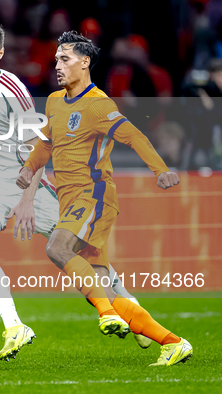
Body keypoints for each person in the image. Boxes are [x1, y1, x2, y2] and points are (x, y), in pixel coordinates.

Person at [0, 20, 150, 362]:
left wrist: (26, 202)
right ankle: (14, 327)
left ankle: (133, 313)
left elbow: (39, 147)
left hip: (27, 182)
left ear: (1, 54)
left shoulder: (14, 92)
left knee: (82, 254)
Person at [17, 31, 193, 366]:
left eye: (64, 59)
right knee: (101, 286)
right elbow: (46, 143)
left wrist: (159, 170)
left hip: (94, 195)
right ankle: (173, 343)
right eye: (56, 59)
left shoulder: (99, 104)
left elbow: (135, 136)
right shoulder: (54, 102)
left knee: (57, 247)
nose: (57, 65)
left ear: (84, 63)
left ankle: (107, 314)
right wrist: (29, 169)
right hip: (70, 201)